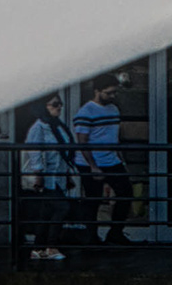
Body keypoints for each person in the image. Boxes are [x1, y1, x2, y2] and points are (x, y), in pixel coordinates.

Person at [17, 93, 72, 262]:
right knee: (62, 208)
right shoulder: (39, 127)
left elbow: (65, 151)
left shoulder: (58, 125)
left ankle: (39, 247)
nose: (59, 108)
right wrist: (38, 173)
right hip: (47, 177)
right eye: (54, 105)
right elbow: (34, 152)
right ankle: (50, 246)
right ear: (44, 107)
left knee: (46, 211)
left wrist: (68, 173)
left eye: (60, 104)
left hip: (57, 175)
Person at [70, 78, 125, 247]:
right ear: (97, 91)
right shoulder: (86, 112)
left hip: (111, 159)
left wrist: (120, 158)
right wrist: (93, 166)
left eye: (114, 92)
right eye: (109, 93)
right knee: (93, 199)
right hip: (90, 162)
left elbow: (115, 138)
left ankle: (115, 233)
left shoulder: (113, 109)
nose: (112, 96)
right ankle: (92, 237)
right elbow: (82, 142)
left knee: (126, 193)